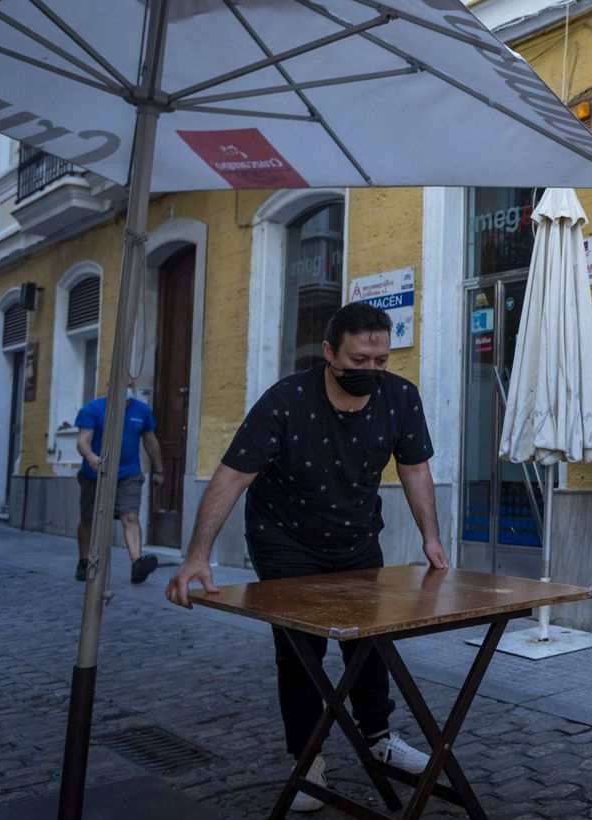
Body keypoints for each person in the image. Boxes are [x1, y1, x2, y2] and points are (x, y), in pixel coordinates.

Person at [164, 302, 446, 813]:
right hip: (284, 537)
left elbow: (415, 468)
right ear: (329, 352)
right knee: (301, 646)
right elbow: (232, 475)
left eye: (381, 360)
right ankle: (308, 754)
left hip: (357, 535)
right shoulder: (286, 401)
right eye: (360, 360)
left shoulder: (401, 397)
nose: (372, 371)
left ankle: (379, 737)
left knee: (371, 637)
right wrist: (197, 555)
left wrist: (432, 537)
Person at [75, 379, 164, 586]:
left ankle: (137, 564)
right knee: (89, 519)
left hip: (129, 475)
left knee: (130, 516)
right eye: (121, 384)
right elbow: (82, 441)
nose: (126, 389)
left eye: (129, 385)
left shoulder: (141, 411)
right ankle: (83, 560)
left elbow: (151, 442)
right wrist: (91, 457)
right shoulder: (93, 409)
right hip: (95, 474)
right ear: (110, 385)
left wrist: (159, 469)